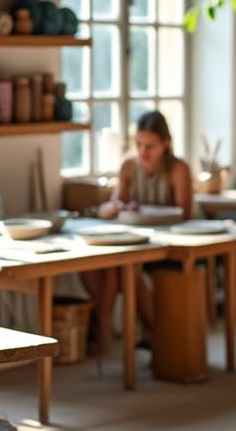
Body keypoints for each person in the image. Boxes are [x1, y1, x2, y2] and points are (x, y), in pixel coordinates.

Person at [83, 110, 193, 337]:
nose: (143, 152)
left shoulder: (178, 168)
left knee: (126, 267)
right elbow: (115, 205)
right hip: (137, 241)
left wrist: (142, 210)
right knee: (101, 264)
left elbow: (184, 214)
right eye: (139, 145)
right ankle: (107, 326)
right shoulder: (129, 166)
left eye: (150, 146)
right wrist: (118, 207)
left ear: (166, 144)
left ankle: (148, 331)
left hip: (171, 243)